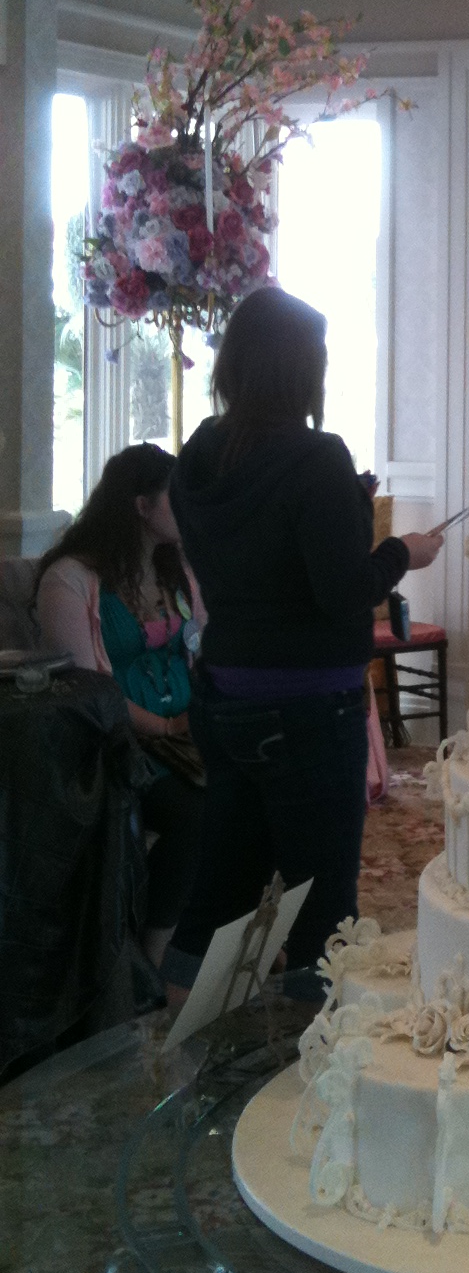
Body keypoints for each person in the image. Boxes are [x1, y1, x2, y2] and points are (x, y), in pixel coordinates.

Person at [162, 287, 442, 998]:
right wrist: (404, 550)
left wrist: (344, 500)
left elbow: (254, 548)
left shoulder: (197, 454)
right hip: (309, 713)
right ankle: (311, 1062)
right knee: (323, 907)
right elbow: (342, 591)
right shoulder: (315, 456)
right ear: (300, 370)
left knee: (222, 886)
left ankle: (180, 1038)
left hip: (224, 699)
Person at [35, 443, 207, 970]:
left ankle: (223, 931)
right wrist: (164, 724)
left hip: (182, 731)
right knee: (193, 813)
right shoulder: (71, 578)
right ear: (140, 506)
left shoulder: (173, 566)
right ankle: (155, 952)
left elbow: (201, 645)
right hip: (116, 742)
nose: (187, 509)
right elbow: (90, 688)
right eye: (174, 498)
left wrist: (201, 717)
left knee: (260, 783)